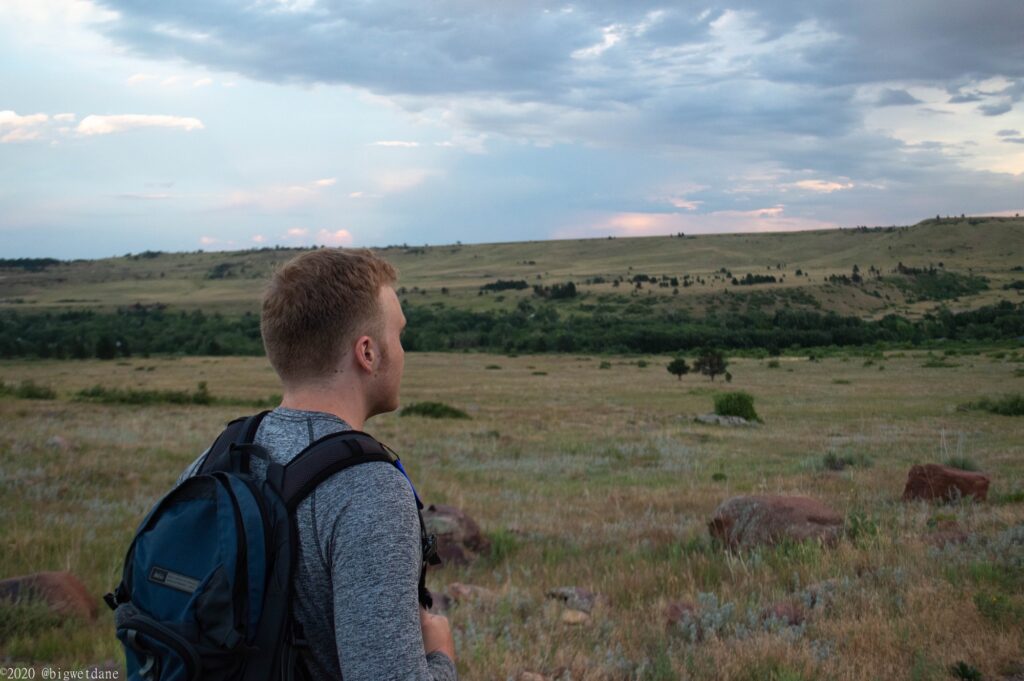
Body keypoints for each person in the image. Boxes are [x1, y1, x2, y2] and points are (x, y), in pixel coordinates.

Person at [177, 248, 457, 681]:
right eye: (398, 335)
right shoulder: (369, 490)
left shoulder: (211, 464)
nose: (403, 351)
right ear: (368, 352)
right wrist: (441, 657)